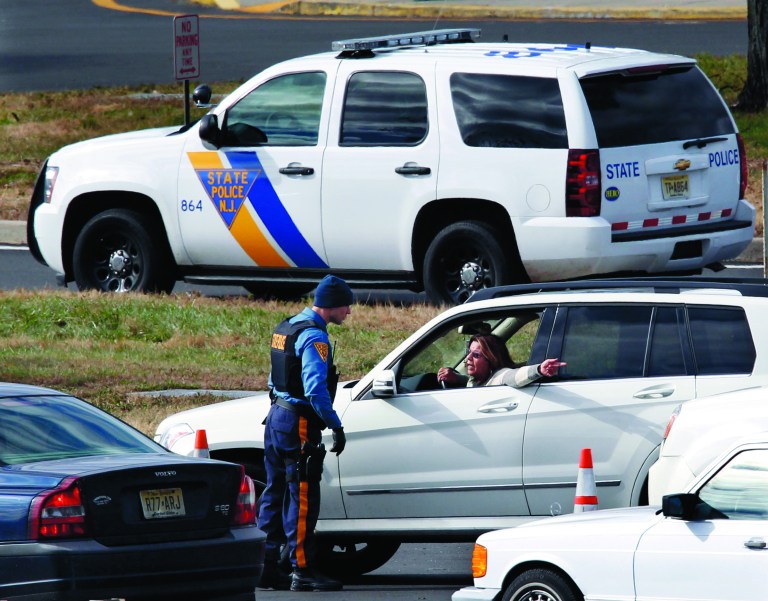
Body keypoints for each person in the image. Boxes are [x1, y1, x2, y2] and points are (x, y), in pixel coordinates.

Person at [257, 275, 353, 592]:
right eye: (346, 305)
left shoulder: (286, 327)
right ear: (332, 305)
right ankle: (303, 570)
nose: (349, 312)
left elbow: (275, 380)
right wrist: (335, 424)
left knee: (273, 492)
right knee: (303, 497)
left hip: (275, 418)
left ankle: (266, 567)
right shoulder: (315, 338)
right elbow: (315, 390)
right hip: (298, 423)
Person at [438, 334, 565, 388]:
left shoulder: (500, 376)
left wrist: (538, 370)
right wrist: (456, 378)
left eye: (476, 355)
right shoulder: (477, 378)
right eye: (468, 352)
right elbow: (471, 383)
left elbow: (514, 376)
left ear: (491, 359)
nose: (468, 358)